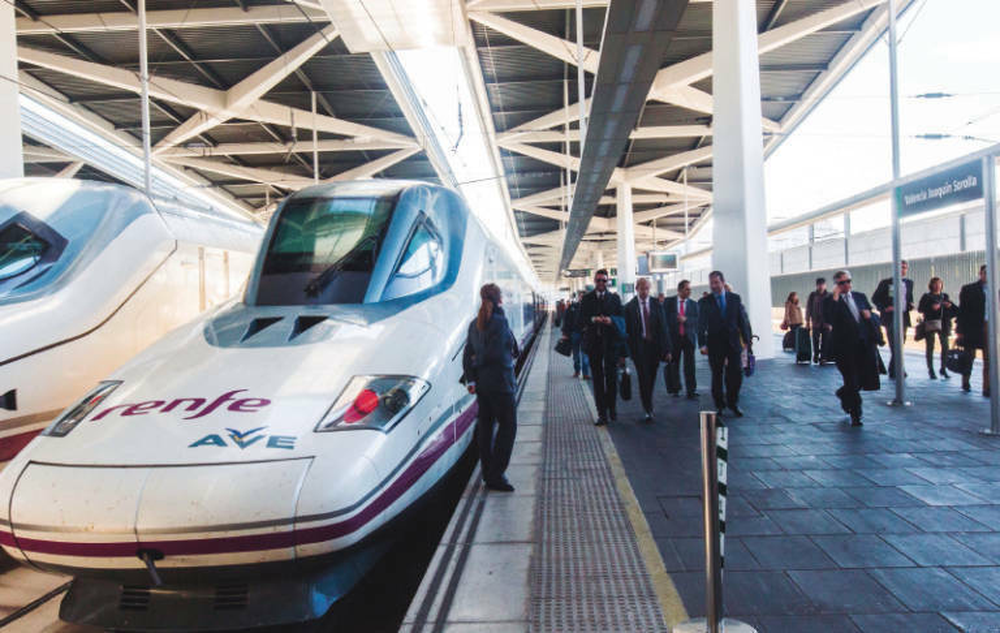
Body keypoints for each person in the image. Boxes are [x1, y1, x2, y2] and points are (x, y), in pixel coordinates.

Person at [463, 283, 519, 492]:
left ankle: (488, 472)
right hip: (501, 384)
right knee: (508, 427)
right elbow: (497, 354)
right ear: (500, 299)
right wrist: (480, 360)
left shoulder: (473, 324)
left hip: (482, 386)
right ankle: (497, 475)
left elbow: (468, 354)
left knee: (486, 428)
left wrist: (471, 379)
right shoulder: (500, 322)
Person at [826, 270, 880, 427]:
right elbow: (829, 318)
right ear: (836, 285)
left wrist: (870, 316)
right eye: (842, 283)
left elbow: (873, 316)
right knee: (851, 380)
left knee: (861, 381)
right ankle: (856, 415)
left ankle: (843, 394)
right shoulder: (830, 300)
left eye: (848, 281)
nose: (846, 285)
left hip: (863, 346)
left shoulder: (860, 296)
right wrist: (835, 298)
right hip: (844, 348)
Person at [698, 271, 752, 417]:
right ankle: (719, 405)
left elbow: (742, 321)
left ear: (723, 282)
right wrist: (702, 344)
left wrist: (747, 341)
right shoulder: (704, 301)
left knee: (736, 374)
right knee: (717, 375)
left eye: (716, 282)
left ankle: (733, 402)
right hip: (714, 345)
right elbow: (701, 324)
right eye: (711, 283)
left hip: (733, 344)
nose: (713, 286)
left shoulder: (735, 298)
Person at [580, 269, 625, 426]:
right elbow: (581, 319)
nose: (601, 283)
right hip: (594, 345)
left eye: (604, 281)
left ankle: (612, 408)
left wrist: (610, 320)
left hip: (611, 344)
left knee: (612, 379)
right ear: (594, 281)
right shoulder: (586, 299)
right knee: (598, 380)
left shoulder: (614, 299)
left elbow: (621, 319)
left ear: (607, 282)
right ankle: (601, 414)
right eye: (598, 280)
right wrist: (593, 319)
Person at [625, 278, 672, 422]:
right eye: (642, 288)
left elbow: (664, 328)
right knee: (643, 378)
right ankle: (648, 408)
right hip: (639, 349)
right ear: (637, 289)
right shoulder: (629, 307)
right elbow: (627, 333)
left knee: (651, 377)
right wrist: (627, 352)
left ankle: (648, 400)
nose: (644, 291)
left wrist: (668, 349)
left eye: (647, 288)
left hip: (654, 348)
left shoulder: (657, 304)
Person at [872, 260, 914, 378]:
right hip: (890, 318)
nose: (903, 270)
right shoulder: (886, 283)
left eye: (905, 268)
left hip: (904, 317)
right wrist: (885, 308)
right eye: (901, 267)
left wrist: (911, 304)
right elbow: (875, 298)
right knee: (894, 344)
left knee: (901, 343)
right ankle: (899, 369)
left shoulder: (909, 283)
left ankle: (892, 369)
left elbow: (909, 297)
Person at [957, 265, 990, 395]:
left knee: (989, 359)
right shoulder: (969, 289)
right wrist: (960, 330)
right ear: (980, 273)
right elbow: (962, 311)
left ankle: (986, 388)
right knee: (969, 357)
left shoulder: (996, 289)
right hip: (972, 327)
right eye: (985, 273)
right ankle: (965, 381)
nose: (988, 275)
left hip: (990, 327)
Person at [665, 279, 699, 399]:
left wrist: (687, 320)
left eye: (690, 289)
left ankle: (691, 390)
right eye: (687, 289)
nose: (689, 291)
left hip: (688, 338)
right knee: (674, 364)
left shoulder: (694, 304)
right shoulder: (669, 302)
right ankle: (675, 389)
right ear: (679, 290)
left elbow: (697, 321)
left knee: (690, 365)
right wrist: (675, 318)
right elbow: (664, 320)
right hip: (674, 338)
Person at [917, 277, 956, 380]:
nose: (938, 285)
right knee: (930, 346)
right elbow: (920, 309)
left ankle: (943, 368)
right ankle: (931, 370)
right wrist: (931, 307)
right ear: (931, 285)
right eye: (935, 283)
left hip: (944, 324)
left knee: (945, 346)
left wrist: (948, 305)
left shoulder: (945, 296)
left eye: (939, 283)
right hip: (931, 323)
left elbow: (953, 309)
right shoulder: (926, 296)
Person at [561, 291, 591, 379]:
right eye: (581, 297)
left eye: (584, 297)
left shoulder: (590, 308)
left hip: (586, 335)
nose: (582, 298)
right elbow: (566, 321)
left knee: (585, 356)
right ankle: (577, 371)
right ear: (578, 297)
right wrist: (565, 333)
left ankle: (585, 373)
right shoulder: (572, 307)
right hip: (574, 334)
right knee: (576, 356)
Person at [806, 277, 831, 364]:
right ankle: (816, 354)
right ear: (816, 286)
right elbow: (808, 309)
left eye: (822, 284)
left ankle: (823, 357)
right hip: (816, 322)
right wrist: (807, 322)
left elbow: (833, 309)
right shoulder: (812, 295)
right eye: (819, 285)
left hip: (826, 323)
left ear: (825, 285)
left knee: (826, 340)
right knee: (815, 339)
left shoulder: (829, 295)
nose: (821, 286)